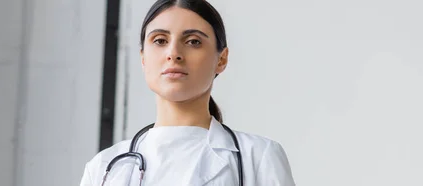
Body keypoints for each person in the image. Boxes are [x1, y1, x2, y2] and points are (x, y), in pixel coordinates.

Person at [79, 0, 296, 185]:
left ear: (221, 59)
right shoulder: (103, 168)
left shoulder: (259, 157)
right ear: (143, 58)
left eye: (193, 42)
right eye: (160, 41)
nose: (173, 53)